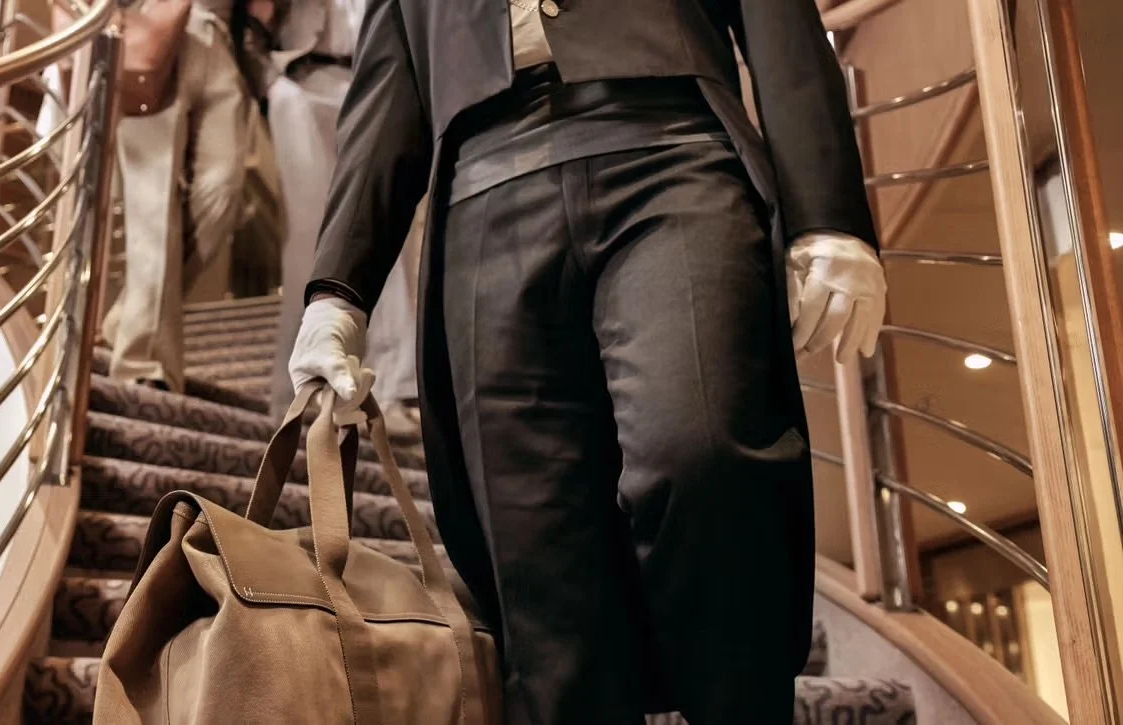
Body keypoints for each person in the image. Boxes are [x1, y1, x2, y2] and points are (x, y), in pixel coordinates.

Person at [285, 0, 888, 723]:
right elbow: (388, 85)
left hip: (669, 144)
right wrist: (336, 292)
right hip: (481, 188)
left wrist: (827, 214)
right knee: (535, 556)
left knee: (701, 452)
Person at [261, 0, 422, 429]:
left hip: (383, 75)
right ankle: (298, 394)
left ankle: (395, 388)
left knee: (391, 226)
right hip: (299, 76)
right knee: (310, 237)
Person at [100, 0, 269, 392]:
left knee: (222, 195)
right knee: (152, 202)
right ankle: (144, 364)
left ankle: (125, 317)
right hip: (158, 34)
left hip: (225, 45)